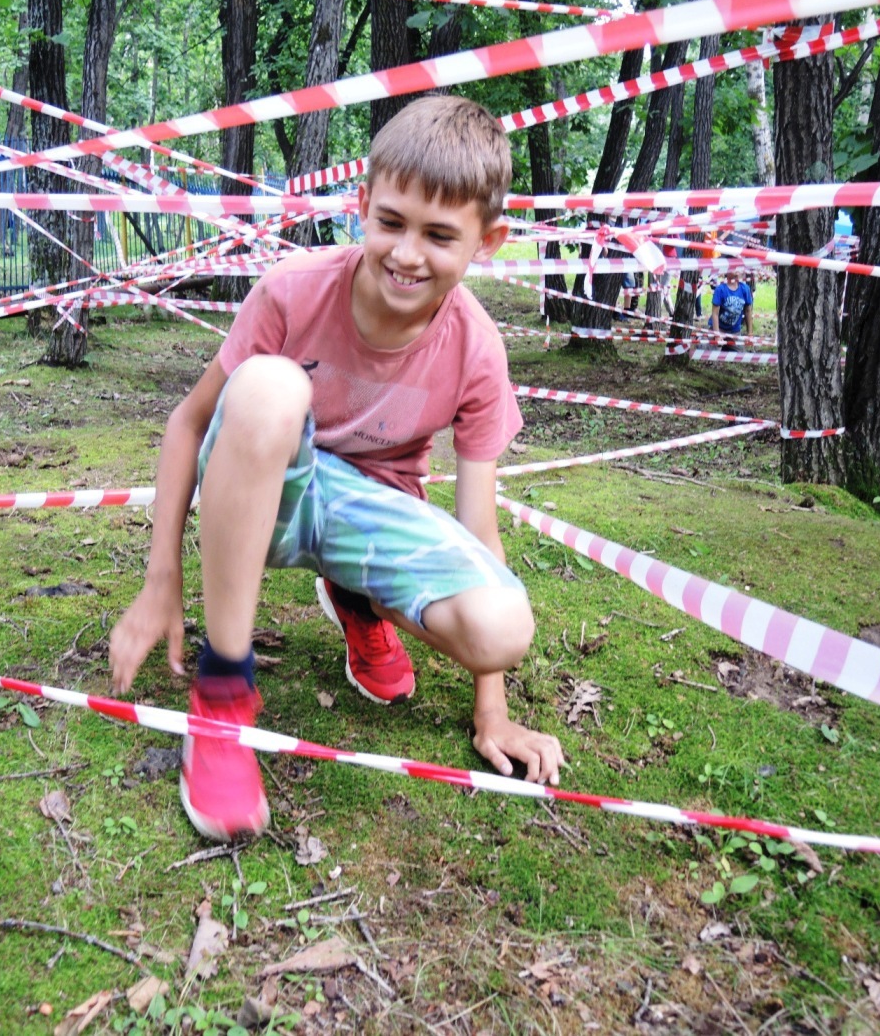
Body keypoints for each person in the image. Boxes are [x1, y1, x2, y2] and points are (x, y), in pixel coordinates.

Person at [108, 96, 565, 842]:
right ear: (361, 205)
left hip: (371, 515)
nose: (407, 253)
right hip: (271, 488)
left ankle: (355, 602)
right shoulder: (293, 290)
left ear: (488, 241)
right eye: (391, 222)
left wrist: (495, 711)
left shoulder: (478, 350)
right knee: (270, 385)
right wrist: (162, 581)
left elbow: (477, 527)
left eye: (440, 235)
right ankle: (222, 697)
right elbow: (190, 422)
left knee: (505, 624)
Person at [710, 270, 754, 341]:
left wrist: (750, 333)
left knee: (740, 352)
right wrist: (717, 335)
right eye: (733, 267)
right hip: (719, 328)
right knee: (713, 350)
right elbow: (715, 314)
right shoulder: (720, 289)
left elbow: (748, 311)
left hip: (735, 331)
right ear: (726, 271)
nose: (737, 270)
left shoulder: (745, 289)